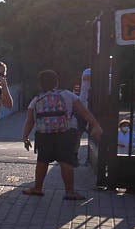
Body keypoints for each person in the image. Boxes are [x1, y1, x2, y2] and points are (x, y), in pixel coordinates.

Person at [21, 69, 102, 200]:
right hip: (65, 133)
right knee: (66, 161)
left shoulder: (36, 99)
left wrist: (25, 137)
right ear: (57, 82)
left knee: (42, 161)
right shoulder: (67, 95)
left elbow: (30, 120)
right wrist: (96, 125)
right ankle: (69, 192)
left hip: (43, 135)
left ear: (40, 84)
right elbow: (83, 111)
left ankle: (37, 188)